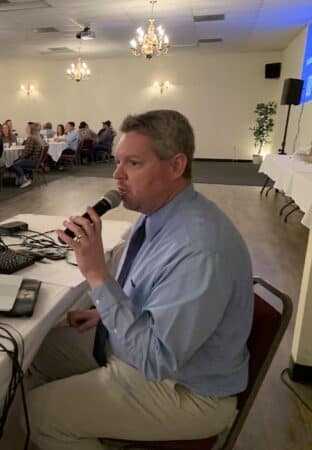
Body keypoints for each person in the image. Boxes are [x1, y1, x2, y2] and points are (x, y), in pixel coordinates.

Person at [26, 110, 253, 450]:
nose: (117, 176)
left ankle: (64, 428)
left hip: (186, 389)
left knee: (36, 415)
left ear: (176, 166)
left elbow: (155, 359)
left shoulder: (201, 249)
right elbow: (152, 294)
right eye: (117, 163)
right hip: (146, 355)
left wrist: (96, 273)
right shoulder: (157, 215)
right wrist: (106, 313)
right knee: (33, 354)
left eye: (133, 164)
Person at [10, 122, 43, 189]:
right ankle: (25, 177)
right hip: (37, 161)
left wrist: (18, 158)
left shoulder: (31, 138)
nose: (25, 128)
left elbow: (27, 152)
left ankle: (24, 180)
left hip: (33, 161)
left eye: (27, 127)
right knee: (17, 161)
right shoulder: (38, 137)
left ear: (30, 129)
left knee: (15, 164)